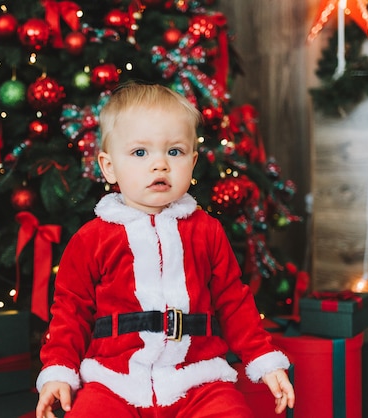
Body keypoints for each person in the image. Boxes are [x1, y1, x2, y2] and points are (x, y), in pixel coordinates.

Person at [36, 82, 295, 418]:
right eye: (140, 153)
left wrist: (263, 360)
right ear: (108, 166)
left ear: (193, 160)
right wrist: (58, 369)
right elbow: (70, 311)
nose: (160, 165)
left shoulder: (207, 231)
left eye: (174, 152)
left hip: (198, 379)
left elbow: (235, 301)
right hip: (114, 380)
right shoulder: (91, 239)